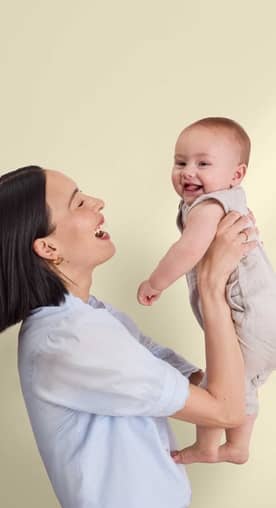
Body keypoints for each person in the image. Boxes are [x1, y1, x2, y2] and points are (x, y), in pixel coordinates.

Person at [0, 166, 255, 508]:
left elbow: (196, 382)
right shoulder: (71, 341)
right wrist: (211, 284)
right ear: (47, 247)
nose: (97, 203)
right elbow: (225, 411)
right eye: (78, 204)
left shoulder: (88, 316)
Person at [137, 116, 276, 465]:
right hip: (263, 320)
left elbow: (188, 250)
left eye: (203, 163)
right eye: (180, 162)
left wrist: (156, 282)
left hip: (251, 318)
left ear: (236, 174)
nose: (187, 172)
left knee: (221, 384)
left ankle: (206, 446)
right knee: (240, 382)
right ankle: (238, 447)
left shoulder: (210, 206)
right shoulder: (228, 200)